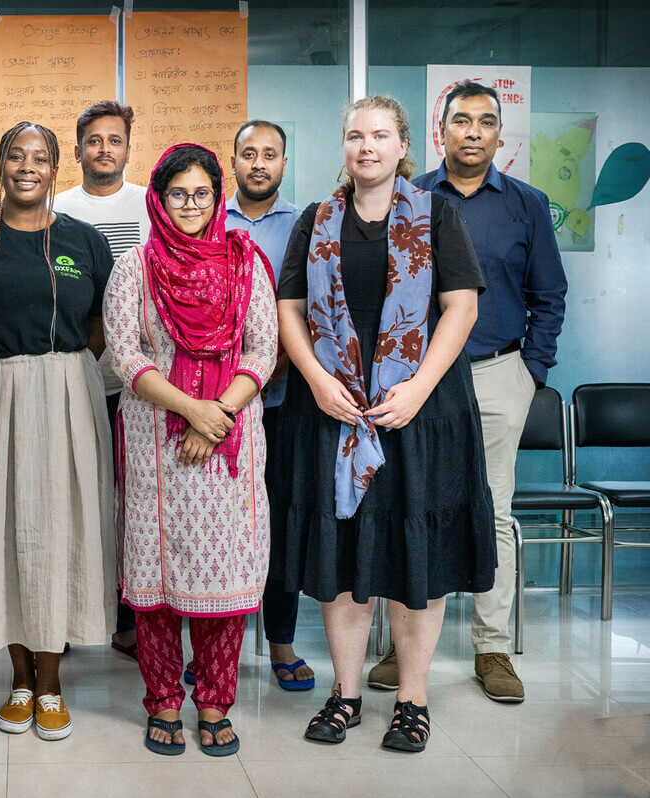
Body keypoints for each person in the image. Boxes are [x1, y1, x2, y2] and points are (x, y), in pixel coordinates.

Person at [273, 96, 496, 753]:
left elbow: (460, 309)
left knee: (414, 558)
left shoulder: (436, 215)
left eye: (379, 135)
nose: (365, 146)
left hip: (419, 417)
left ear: (404, 146)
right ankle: (344, 696)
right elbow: (289, 308)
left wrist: (417, 389)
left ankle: (413, 701)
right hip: (332, 413)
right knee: (341, 559)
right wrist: (317, 380)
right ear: (343, 147)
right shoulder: (315, 222)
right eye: (354, 136)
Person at [367, 81, 568, 705]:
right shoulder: (412, 198)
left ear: (500, 135)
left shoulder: (527, 205)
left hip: (498, 375)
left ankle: (492, 648)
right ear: (440, 132)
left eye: (485, 122)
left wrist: (530, 372)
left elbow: (549, 297)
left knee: (494, 511)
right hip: (421, 381)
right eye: (461, 121)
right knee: (414, 505)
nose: (473, 131)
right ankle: (406, 648)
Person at [0, 121, 116, 741]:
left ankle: (52, 682)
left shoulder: (86, 242)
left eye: (40, 157)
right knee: (0, 529)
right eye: (16, 155)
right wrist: (1, 378)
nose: (28, 166)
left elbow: (100, 327)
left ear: (56, 168)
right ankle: (18, 678)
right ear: (0, 163)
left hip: (67, 393)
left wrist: (56, 377)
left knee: (59, 532)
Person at [104, 144, 277, 757]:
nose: (191, 205)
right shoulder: (134, 268)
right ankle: (162, 702)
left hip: (227, 447)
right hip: (158, 444)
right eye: (178, 193)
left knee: (223, 582)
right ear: (159, 197)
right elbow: (127, 357)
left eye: (202, 193)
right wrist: (190, 410)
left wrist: (218, 414)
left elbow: (262, 351)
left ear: (217, 196)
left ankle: (213, 701)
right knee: (156, 586)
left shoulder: (246, 263)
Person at [53, 100, 151, 660]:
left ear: (127, 149)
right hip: (72, 374)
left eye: (114, 140)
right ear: (78, 149)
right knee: (73, 497)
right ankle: (62, 616)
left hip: (139, 385)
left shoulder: (149, 205)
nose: (104, 150)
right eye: (94, 140)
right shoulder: (57, 208)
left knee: (132, 502)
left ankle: (129, 621)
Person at [224, 119, 313, 692]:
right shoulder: (208, 220)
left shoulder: (308, 223)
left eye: (270, 155)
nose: (259, 163)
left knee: (281, 519)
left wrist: (274, 367)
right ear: (232, 161)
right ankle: (219, 646)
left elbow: (307, 310)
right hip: (220, 402)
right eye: (248, 153)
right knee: (226, 523)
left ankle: (281, 642)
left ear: (284, 163)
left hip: (286, 401)